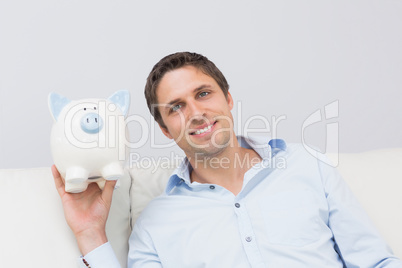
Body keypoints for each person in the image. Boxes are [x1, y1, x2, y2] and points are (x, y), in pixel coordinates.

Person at [52, 52, 402, 267]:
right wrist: (90, 233)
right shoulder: (154, 225)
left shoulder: (306, 165)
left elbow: (376, 262)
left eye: (203, 94)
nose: (197, 113)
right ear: (164, 129)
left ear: (229, 98)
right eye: (176, 107)